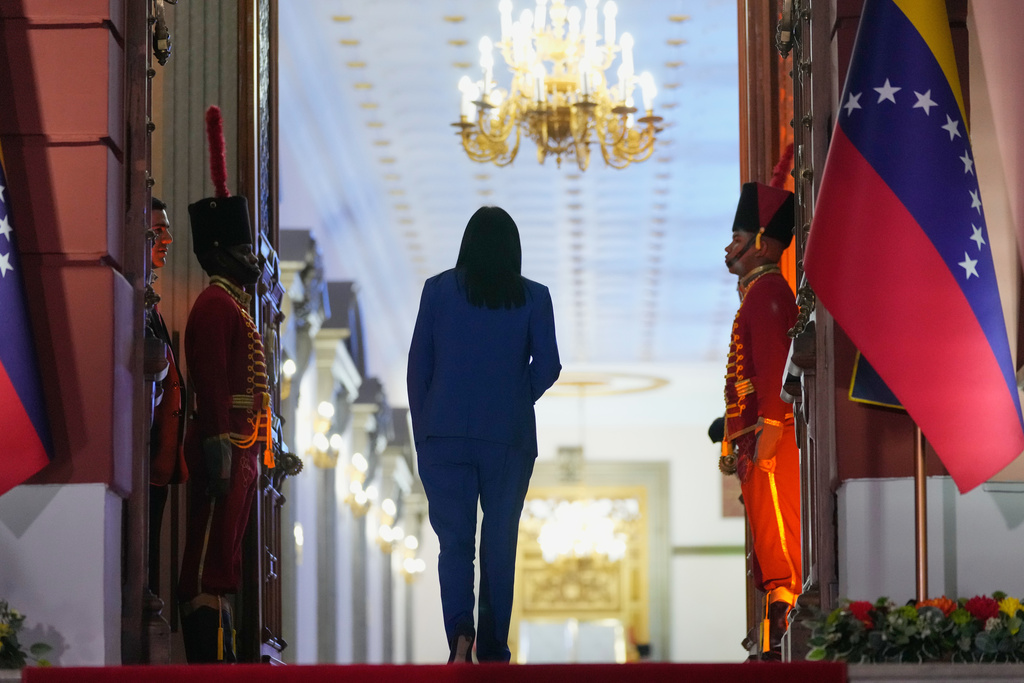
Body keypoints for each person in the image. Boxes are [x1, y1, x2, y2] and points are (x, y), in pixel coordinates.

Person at [407, 206, 561, 664]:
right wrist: (517, 397)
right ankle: (493, 648)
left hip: (444, 439)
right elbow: (549, 365)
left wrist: (425, 433)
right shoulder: (535, 298)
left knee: (453, 542)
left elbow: (419, 369)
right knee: (499, 542)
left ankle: (459, 633)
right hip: (507, 440)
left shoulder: (437, 291)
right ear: (514, 249)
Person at [178, 106, 271, 663]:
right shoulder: (214, 306)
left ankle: (225, 652)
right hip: (223, 446)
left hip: (241, 447)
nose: (249, 257)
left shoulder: (233, 306)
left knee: (227, 559)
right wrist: (218, 444)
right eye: (239, 247)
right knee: (208, 557)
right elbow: (213, 384)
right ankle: (206, 659)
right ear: (219, 250)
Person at [721, 182, 801, 660]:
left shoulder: (767, 292)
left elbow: (773, 372)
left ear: (763, 244)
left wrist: (768, 436)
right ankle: (774, 633)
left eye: (738, 236)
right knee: (767, 542)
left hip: (770, 441)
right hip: (755, 444)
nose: (730, 246)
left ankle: (784, 631)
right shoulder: (756, 293)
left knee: (779, 544)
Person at [147, 197, 188, 595]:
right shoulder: (134, 298)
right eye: (159, 230)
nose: (169, 239)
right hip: (140, 459)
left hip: (157, 463)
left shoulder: (150, 303)